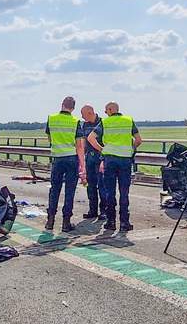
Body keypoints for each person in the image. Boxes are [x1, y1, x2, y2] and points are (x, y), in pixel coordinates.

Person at [87, 101, 141, 233]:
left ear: (111, 110)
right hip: (125, 161)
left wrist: (102, 149)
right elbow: (139, 140)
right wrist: (131, 149)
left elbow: (90, 138)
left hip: (109, 160)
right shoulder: (129, 120)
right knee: (124, 192)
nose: (105, 113)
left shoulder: (105, 123)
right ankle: (124, 222)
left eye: (106, 111)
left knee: (109, 191)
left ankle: (111, 221)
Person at [44, 96, 81, 232]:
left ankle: (50, 220)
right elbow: (79, 145)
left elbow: (49, 138)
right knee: (69, 191)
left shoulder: (51, 119)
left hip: (57, 158)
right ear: (73, 108)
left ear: (62, 105)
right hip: (71, 158)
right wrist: (82, 165)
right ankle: (66, 223)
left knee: (54, 189)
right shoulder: (75, 121)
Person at [78, 104, 104, 220]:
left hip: (100, 158)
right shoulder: (85, 125)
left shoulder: (102, 123)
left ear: (90, 112)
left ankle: (104, 211)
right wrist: (82, 160)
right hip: (89, 158)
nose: (82, 117)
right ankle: (92, 210)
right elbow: (83, 142)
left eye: (83, 114)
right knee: (90, 185)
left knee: (103, 186)